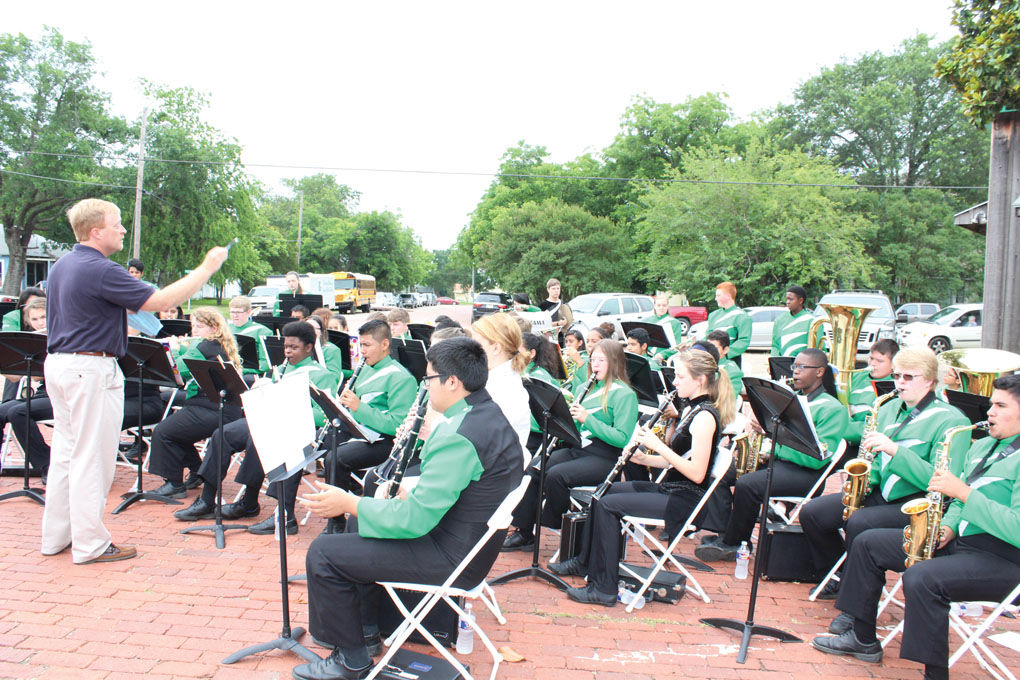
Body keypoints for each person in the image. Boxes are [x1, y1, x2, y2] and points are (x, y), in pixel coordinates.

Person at [293, 337, 523, 680]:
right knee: (356, 531)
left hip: (450, 557)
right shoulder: (487, 414)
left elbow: (415, 521)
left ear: (452, 382)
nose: (425, 386)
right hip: (469, 545)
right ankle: (366, 631)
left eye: (428, 379)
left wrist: (350, 502)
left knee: (324, 552)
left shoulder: (458, 434)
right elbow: (460, 488)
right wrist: (401, 492)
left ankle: (351, 661)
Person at [41, 198, 228, 564]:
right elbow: (160, 300)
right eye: (117, 224)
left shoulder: (63, 264)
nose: (123, 230)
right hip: (89, 370)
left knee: (65, 455)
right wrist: (207, 268)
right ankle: (90, 545)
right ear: (96, 231)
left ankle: (56, 537)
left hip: (61, 365)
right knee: (91, 460)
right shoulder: (100, 268)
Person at [811, 374, 1020, 680]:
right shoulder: (984, 446)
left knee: (923, 578)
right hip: (963, 545)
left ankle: (935, 674)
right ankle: (863, 638)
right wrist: (946, 528)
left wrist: (962, 492)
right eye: (991, 404)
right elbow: (960, 506)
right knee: (869, 542)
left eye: (1000, 406)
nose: (989, 413)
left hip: (1004, 559)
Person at [549, 349, 735, 605]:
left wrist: (658, 447)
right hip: (673, 489)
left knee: (608, 504)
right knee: (603, 492)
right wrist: (644, 459)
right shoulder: (692, 409)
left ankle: (603, 588)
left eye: (680, 376)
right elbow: (676, 462)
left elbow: (696, 472)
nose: (674, 382)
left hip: (685, 499)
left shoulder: (704, 417)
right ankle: (584, 562)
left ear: (700, 379)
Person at [799, 348, 971, 599]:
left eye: (908, 377)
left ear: (930, 380)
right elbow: (876, 461)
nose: (899, 382)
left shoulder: (952, 420)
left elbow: (942, 482)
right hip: (881, 493)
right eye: (897, 375)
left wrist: (895, 451)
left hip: (918, 503)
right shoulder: (888, 408)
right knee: (813, 513)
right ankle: (839, 574)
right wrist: (865, 481)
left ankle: (858, 596)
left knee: (859, 522)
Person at [254, 319, 417, 536]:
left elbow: (398, 426)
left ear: (385, 344)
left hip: (383, 441)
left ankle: (337, 521)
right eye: (361, 345)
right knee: (295, 441)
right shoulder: (367, 369)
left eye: (367, 345)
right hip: (357, 431)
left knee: (335, 458)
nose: (362, 351)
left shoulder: (401, 378)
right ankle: (284, 514)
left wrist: (359, 408)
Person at [173, 321, 338, 524]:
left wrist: (287, 406)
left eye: (294, 348)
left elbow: (324, 415)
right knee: (222, 434)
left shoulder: (322, 375)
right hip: (267, 420)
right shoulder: (280, 369)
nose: (288, 352)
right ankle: (207, 499)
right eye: (286, 347)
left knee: (258, 439)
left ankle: (250, 502)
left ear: (309, 348)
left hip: (295, 431)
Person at [695, 347, 849, 562]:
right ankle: (726, 532)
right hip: (780, 463)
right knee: (719, 472)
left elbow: (817, 457)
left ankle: (736, 543)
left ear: (820, 372)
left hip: (806, 473)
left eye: (802, 367)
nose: (795, 372)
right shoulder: (795, 399)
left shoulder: (833, 409)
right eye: (795, 367)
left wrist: (772, 445)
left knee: (748, 484)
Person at [503, 339, 639, 551]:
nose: (595, 365)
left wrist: (587, 419)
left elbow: (621, 438)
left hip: (604, 456)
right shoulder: (587, 387)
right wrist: (564, 416)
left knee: (556, 475)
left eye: (601, 360)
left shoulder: (625, 394)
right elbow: (573, 426)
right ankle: (524, 531)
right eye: (592, 359)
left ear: (614, 362)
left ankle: (553, 522)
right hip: (578, 448)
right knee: (533, 468)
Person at [146, 307, 243, 498]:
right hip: (226, 408)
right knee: (178, 433)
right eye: (193, 326)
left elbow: (175, 371)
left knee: (163, 432)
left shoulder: (200, 347)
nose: (194, 331)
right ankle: (198, 471)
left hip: (211, 407)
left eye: (199, 327)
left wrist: (172, 349)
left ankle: (174, 483)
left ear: (214, 329)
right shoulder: (218, 345)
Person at [471, 313, 530, 468]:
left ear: (496, 348)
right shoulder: (491, 378)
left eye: (476, 345)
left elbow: (479, 440)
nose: (470, 350)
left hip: (492, 472)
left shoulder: (504, 388)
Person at [845, 339, 899, 447]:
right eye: (871, 358)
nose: (872, 363)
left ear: (893, 365)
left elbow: (877, 426)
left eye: (879, 361)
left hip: (864, 441)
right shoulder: (856, 376)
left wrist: (844, 426)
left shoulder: (894, 388)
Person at [521, 332, 562, 453]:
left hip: (535, 436)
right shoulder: (520, 373)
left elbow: (542, 417)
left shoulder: (539, 378)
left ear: (532, 353)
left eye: (518, 351)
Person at [705, 281, 751, 368]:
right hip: (711, 362)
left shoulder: (742, 316)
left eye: (718, 295)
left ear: (728, 296)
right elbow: (707, 337)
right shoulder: (713, 315)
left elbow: (743, 341)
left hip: (731, 362)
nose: (715, 298)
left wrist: (724, 354)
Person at [226, 295, 272, 375]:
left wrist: (243, 370)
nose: (235, 315)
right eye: (232, 312)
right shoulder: (226, 328)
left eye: (238, 312)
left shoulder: (262, 331)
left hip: (250, 374)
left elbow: (266, 363)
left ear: (248, 312)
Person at [770, 285, 814, 357]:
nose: (788, 302)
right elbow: (775, 346)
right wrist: (773, 363)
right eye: (787, 299)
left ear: (801, 301)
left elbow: (818, 348)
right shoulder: (779, 320)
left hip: (804, 365)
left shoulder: (811, 320)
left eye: (791, 299)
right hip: (782, 364)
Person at [643, 295, 685, 364]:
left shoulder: (675, 323)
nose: (661, 308)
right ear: (654, 306)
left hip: (663, 358)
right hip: (647, 355)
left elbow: (677, 346)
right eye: (658, 305)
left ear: (667, 306)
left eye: (664, 305)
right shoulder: (646, 321)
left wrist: (663, 354)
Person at [705, 329, 744, 399]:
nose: (710, 351)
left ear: (725, 350)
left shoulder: (732, 372)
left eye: (714, 348)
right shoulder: (702, 364)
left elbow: (728, 399)